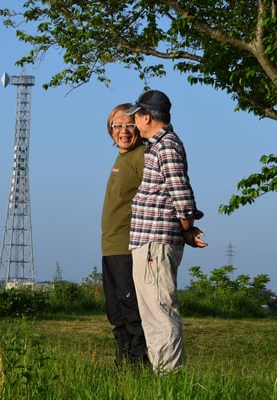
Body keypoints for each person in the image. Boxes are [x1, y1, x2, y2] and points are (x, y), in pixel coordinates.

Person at [125, 90, 207, 373]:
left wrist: (186, 228)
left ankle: (169, 377)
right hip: (150, 242)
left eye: (137, 116)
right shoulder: (159, 145)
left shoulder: (166, 146)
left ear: (147, 117)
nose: (134, 122)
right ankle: (163, 374)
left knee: (160, 312)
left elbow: (180, 194)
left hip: (155, 244)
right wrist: (185, 228)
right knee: (153, 313)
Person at [101, 103, 149, 367]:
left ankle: (139, 365)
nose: (124, 131)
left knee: (132, 310)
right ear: (110, 130)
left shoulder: (142, 156)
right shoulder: (122, 158)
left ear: (139, 128)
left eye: (130, 125)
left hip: (128, 246)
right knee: (115, 310)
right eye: (117, 125)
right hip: (110, 246)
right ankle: (122, 364)